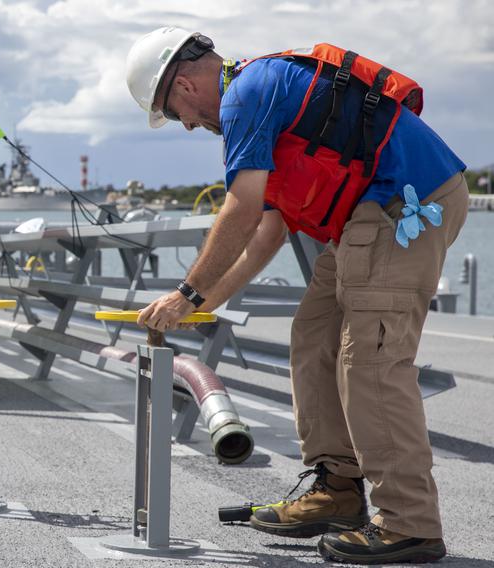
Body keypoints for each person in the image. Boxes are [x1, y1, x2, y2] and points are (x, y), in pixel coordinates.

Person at [127, 28, 467, 564]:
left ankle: (410, 523)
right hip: (367, 215)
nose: (187, 124)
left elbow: (239, 209)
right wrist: (205, 302)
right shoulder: (255, 94)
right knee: (313, 336)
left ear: (184, 86)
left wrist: (187, 291)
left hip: (406, 205)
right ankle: (336, 488)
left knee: (371, 361)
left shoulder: (246, 94)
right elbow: (266, 230)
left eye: (172, 113)